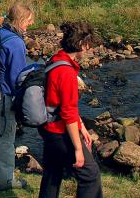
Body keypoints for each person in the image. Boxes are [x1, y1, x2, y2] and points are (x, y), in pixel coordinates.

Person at [39, 21, 103, 198]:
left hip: (48, 127)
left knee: (52, 173)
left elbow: (62, 105)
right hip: (59, 131)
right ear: (81, 44)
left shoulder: (56, 59)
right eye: (88, 45)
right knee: (90, 175)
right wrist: (78, 148)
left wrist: (82, 126)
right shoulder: (66, 72)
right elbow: (68, 113)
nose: (89, 49)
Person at [0, 1, 34, 191]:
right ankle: (5, 180)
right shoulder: (16, 43)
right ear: (20, 20)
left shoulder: (0, 32)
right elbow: (18, 77)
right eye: (28, 20)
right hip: (4, 95)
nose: (30, 24)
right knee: (6, 135)